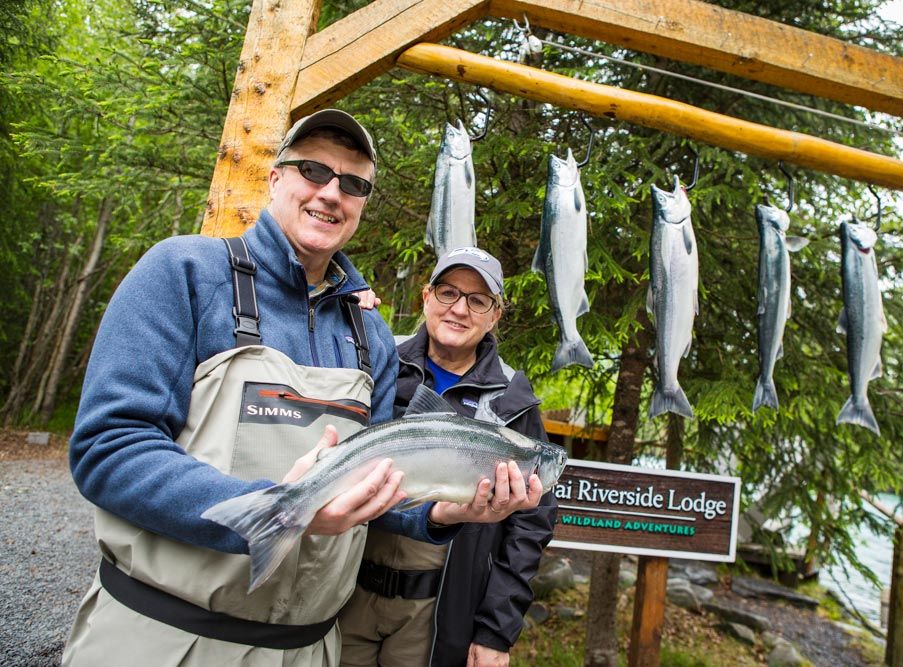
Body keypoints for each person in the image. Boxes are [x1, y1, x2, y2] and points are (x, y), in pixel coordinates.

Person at [62, 111, 542, 667]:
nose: (332, 193)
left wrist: (439, 518)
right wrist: (278, 509)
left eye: (354, 183)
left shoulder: (372, 337)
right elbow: (108, 449)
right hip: (164, 639)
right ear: (274, 179)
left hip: (308, 651)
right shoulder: (184, 273)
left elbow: (375, 490)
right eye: (313, 170)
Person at [338, 247, 559, 667]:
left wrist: (497, 630)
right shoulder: (378, 358)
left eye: (478, 301)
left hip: (437, 611)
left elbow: (531, 526)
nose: (460, 309)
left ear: (495, 315)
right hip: (348, 592)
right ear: (425, 296)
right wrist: (343, 314)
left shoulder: (512, 399)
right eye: (448, 293)